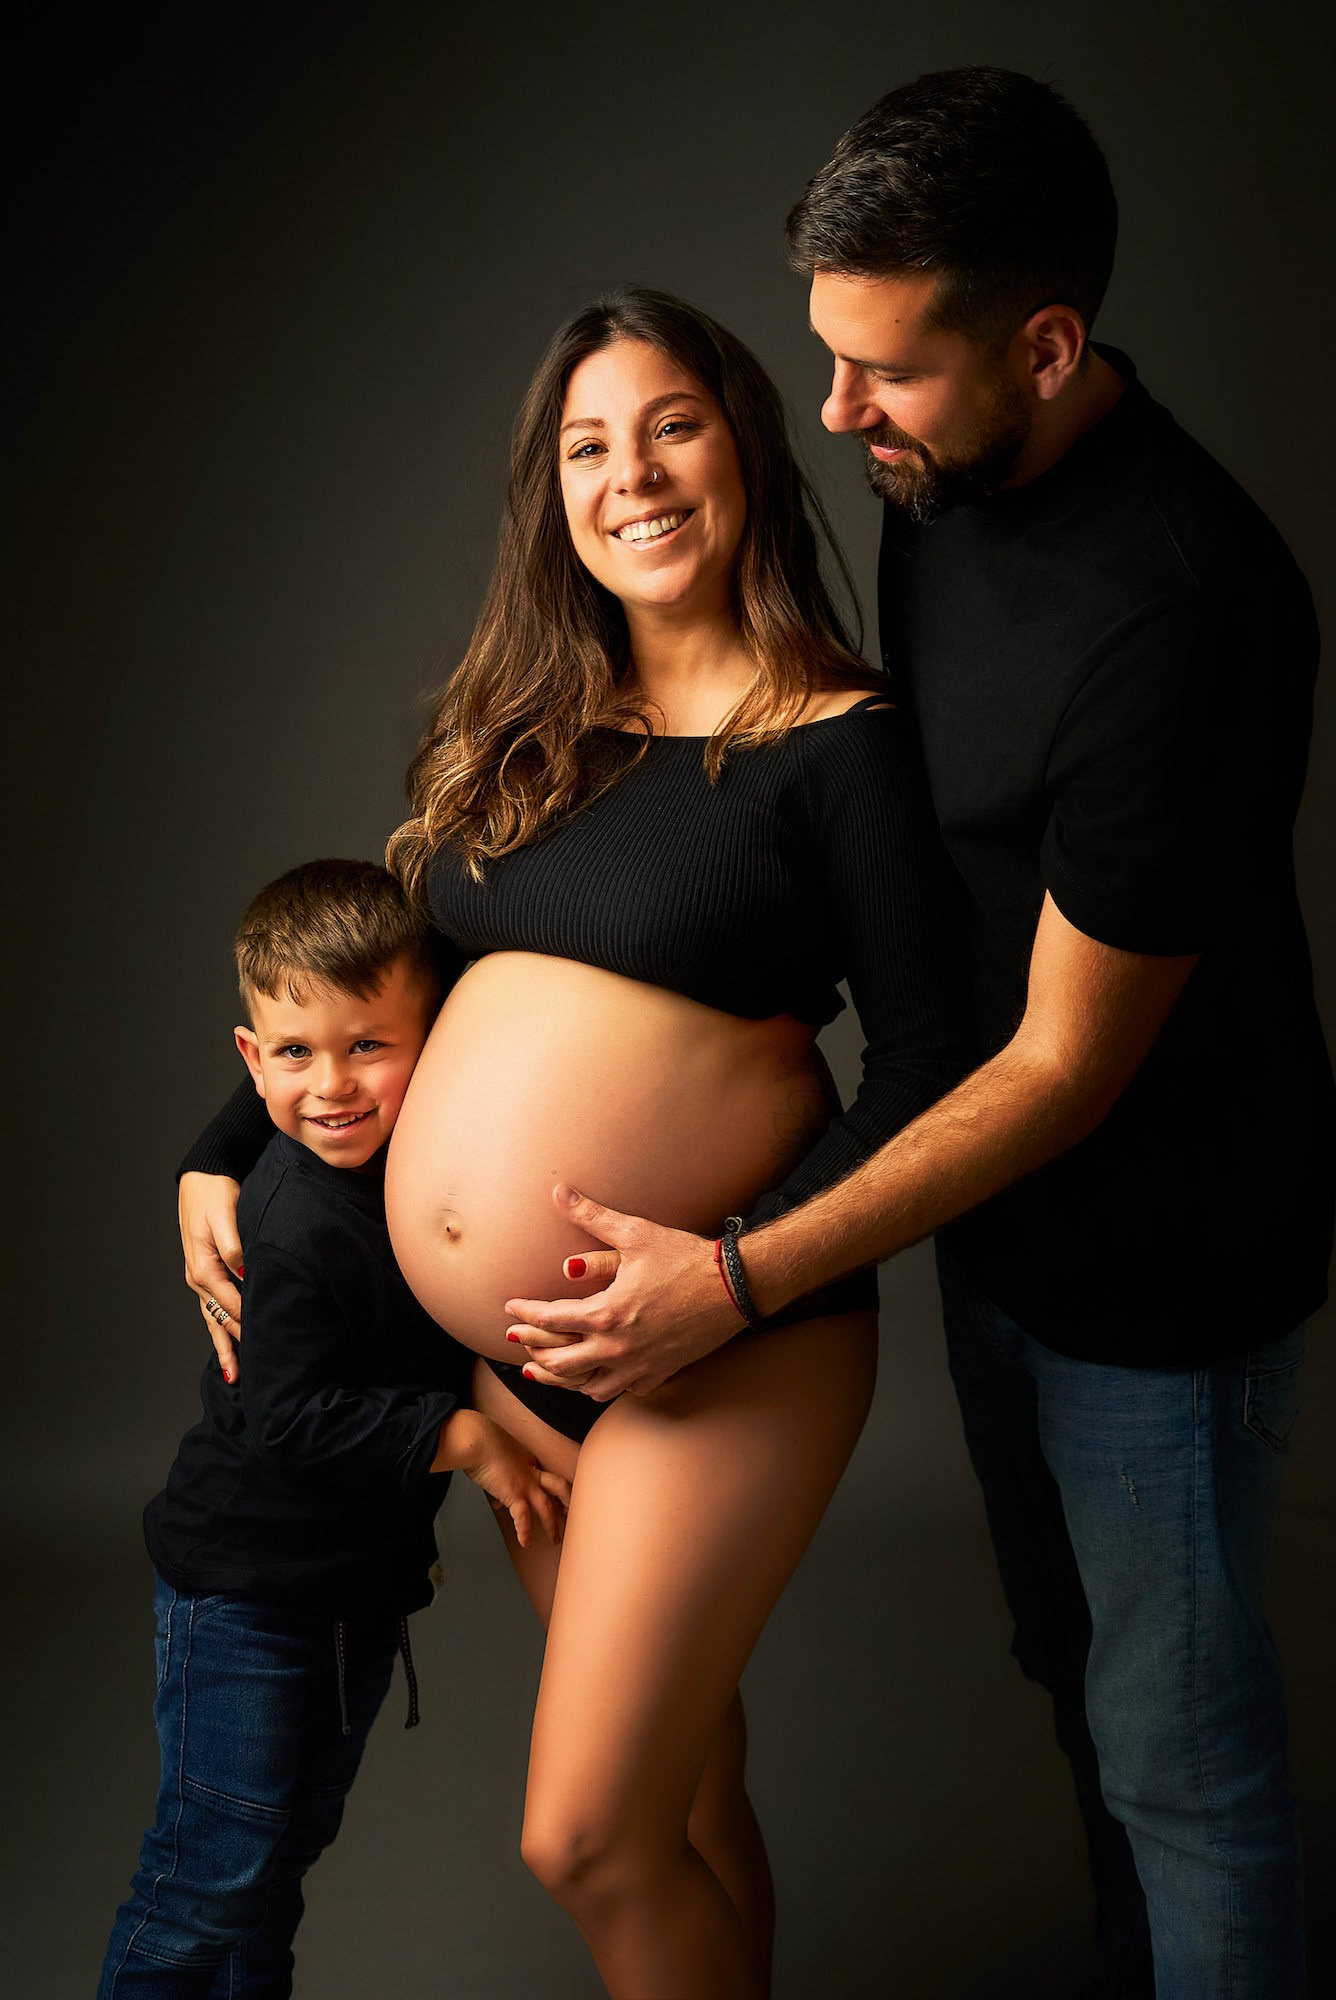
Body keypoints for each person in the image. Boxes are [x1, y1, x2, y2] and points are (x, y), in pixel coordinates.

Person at [480, 69, 1335, 2000]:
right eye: (827, 364)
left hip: (1161, 1278)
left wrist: (742, 1274)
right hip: (998, 1244)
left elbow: (1054, 1064)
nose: (841, 414)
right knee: (1077, 1690)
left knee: (1181, 1760)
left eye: (887, 373)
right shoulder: (949, 485)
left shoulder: (1185, 612)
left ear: (1044, 347)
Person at [175, 289, 972, 1998]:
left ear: (744, 442)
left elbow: (936, 1072)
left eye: (671, 423)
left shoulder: (837, 744)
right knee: (683, 1796)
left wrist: (734, 1278)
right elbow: (383, 988)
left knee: (587, 1837)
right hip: (532, 1364)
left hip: (728, 1339)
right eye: (587, 444)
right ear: (553, 491)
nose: (634, 474)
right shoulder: (527, 733)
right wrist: (213, 1146)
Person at [101, 860, 567, 1998]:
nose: (335, 1086)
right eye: (298, 1053)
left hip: (351, 1597)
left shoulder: (405, 1167)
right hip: (245, 1597)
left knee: (274, 1873)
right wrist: (462, 1436)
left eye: (370, 1046)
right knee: (208, 1881)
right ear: (251, 1061)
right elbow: (287, 1416)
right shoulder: (293, 1215)